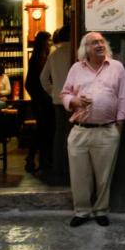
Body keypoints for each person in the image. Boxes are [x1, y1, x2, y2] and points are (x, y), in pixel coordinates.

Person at [61, 32, 125, 227]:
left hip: (107, 130)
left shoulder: (116, 67)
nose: (100, 45)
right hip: (80, 130)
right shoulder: (76, 68)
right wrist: (74, 101)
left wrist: (118, 129)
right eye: (94, 43)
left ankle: (101, 210)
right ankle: (82, 211)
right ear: (86, 49)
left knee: (104, 176)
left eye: (101, 42)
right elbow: (64, 93)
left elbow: (124, 98)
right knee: (79, 176)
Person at [40, 25, 72, 184]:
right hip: (73, 100)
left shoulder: (54, 54)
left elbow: (43, 78)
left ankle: (58, 168)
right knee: (72, 134)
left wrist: (53, 92)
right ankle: (70, 167)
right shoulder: (75, 52)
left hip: (58, 100)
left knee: (59, 134)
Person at [25, 30, 54, 175]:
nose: (50, 43)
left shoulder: (41, 57)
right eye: (48, 41)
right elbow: (32, 83)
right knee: (43, 130)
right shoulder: (39, 58)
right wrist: (41, 97)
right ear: (43, 42)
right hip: (42, 101)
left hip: (42, 99)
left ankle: (35, 159)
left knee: (42, 130)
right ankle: (39, 160)